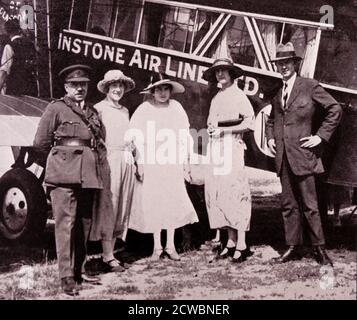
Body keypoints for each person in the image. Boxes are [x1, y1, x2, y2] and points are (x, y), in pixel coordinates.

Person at [266, 42, 342, 266]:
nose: (283, 67)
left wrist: (320, 137)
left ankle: (319, 248)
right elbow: (272, 119)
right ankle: (293, 246)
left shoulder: (309, 86)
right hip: (283, 159)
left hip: (303, 157)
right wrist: (270, 137)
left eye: (287, 63)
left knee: (311, 205)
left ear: (295, 64)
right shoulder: (278, 92)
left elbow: (334, 109)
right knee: (289, 205)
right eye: (280, 64)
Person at [33, 64, 104, 296]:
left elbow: (98, 142)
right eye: (75, 85)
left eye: (83, 84)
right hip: (63, 176)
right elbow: (40, 144)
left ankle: (78, 271)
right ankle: (66, 277)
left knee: (83, 224)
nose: (80, 89)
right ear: (66, 87)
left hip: (88, 176)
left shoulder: (93, 113)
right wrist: (57, 166)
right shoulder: (56, 109)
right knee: (65, 225)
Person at [128, 72, 199, 261]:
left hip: (172, 161)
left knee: (171, 201)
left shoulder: (176, 108)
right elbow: (135, 137)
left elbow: (185, 137)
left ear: (170, 91)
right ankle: (157, 246)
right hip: (152, 161)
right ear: (152, 91)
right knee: (155, 202)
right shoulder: (144, 109)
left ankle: (171, 245)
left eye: (165, 88)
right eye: (158, 89)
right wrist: (140, 163)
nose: (162, 93)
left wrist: (186, 163)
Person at [202, 58, 255, 263]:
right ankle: (230, 240)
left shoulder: (239, 96)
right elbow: (210, 122)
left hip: (232, 146)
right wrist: (212, 129)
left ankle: (242, 243)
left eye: (224, 71)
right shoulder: (217, 97)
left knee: (235, 191)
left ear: (231, 74)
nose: (220, 75)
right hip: (216, 148)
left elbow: (250, 122)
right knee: (219, 192)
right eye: (217, 72)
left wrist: (225, 130)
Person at [90, 70, 136, 272]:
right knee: (110, 203)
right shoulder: (99, 109)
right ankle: (107, 255)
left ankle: (114, 250)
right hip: (109, 160)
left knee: (123, 204)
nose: (117, 89)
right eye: (113, 86)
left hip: (126, 160)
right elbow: (95, 138)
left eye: (121, 86)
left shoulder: (125, 110)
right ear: (107, 88)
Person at [0, 19, 37, 95]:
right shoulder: (30, 44)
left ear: (7, 32)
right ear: (18, 29)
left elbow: (4, 71)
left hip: (15, 88)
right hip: (31, 87)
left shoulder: (9, 46)